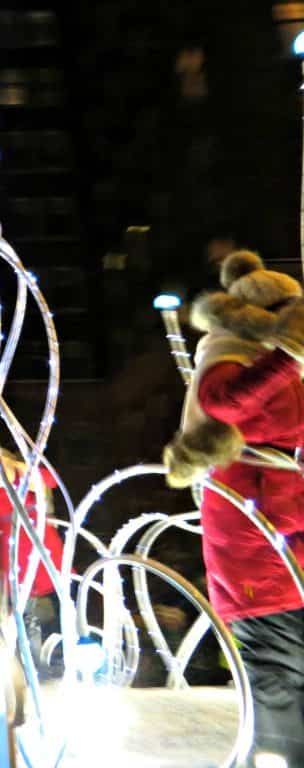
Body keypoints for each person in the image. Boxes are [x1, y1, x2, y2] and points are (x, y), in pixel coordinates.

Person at [164, 251, 304, 764]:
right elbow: (225, 403)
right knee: (276, 666)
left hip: (281, 529)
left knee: (289, 661)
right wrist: (288, 352)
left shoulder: (273, 360)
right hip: (254, 539)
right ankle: (276, 756)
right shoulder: (233, 352)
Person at [0, 448, 64, 674]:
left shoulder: (12, 474)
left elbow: (51, 479)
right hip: (20, 549)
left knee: (30, 611)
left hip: (36, 546)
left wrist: (18, 468)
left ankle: (38, 663)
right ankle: (30, 664)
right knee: (22, 612)